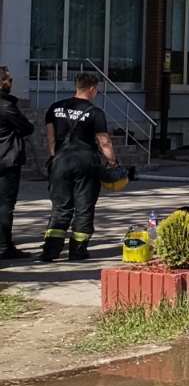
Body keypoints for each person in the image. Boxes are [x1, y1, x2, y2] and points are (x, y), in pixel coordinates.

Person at [39, 73, 117, 262]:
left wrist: (52, 157)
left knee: (60, 207)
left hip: (61, 161)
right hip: (86, 162)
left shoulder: (55, 108)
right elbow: (103, 141)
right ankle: (78, 250)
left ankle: (50, 251)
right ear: (91, 89)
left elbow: (50, 137)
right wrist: (112, 162)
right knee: (84, 207)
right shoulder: (95, 112)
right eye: (96, 90)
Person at [0, 67, 34, 259]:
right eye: (9, 79)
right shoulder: (6, 105)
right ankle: (5, 247)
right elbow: (26, 127)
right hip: (6, 160)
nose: (11, 83)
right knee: (5, 204)